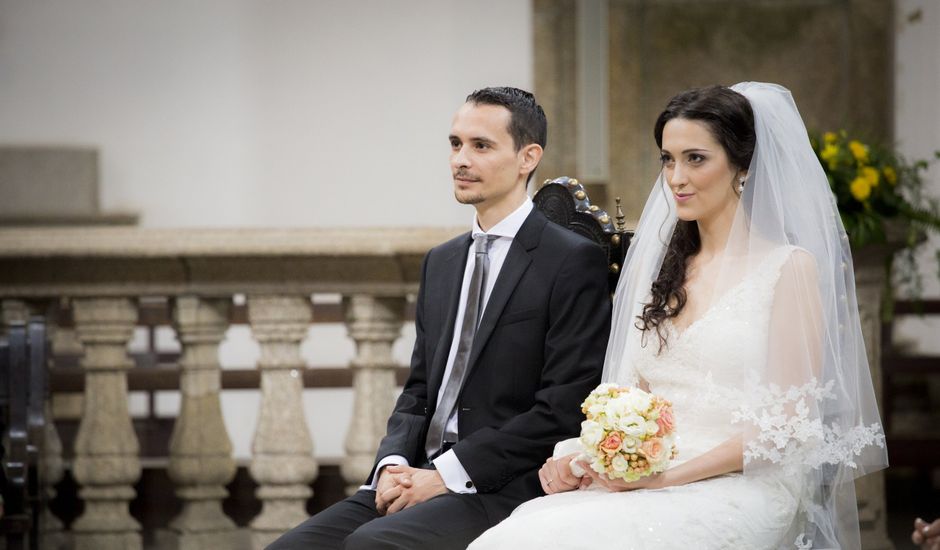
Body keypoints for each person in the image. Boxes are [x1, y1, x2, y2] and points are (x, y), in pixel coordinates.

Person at [469, 82, 888, 549]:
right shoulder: (661, 272)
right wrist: (587, 457)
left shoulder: (788, 269)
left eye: (696, 158)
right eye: (668, 159)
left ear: (743, 166)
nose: (676, 177)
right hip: (649, 477)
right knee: (516, 536)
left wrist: (665, 480)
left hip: (742, 485)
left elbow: (786, 430)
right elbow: (632, 397)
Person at [267, 87, 611, 549]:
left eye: (481, 146)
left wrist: (449, 475)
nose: (460, 160)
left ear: (528, 157)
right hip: (417, 472)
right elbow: (419, 390)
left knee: (369, 546)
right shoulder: (442, 261)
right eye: (455, 144)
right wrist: (391, 465)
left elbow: (562, 409)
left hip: (503, 482)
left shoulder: (570, 261)